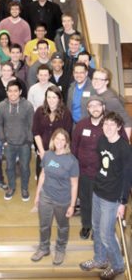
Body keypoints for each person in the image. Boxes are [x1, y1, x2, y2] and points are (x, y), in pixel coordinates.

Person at [79, 112, 131, 280]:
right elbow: (103, 166)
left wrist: (122, 202)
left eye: (111, 125)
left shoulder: (124, 148)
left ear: (118, 127)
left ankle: (117, 265)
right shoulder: (101, 140)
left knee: (106, 234)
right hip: (98, 191)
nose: (108, 128)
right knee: (96, 228)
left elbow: (127, 176)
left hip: (112, 197)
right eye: (105, 124)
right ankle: (100, 259)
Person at [31, 129, 79, 266]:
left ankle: (60, 249)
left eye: (62, 140)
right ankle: (44, 248)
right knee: (44, 225)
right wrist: (37, 196)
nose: (59, 142)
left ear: (67, 143)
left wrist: (72, 205)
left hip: (62, 200)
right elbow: (42, 175)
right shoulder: (47, 155)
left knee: (62, 227)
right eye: (57, 139)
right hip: (46, 196)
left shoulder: (71, 161)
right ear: (53, 140)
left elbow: (74, 185)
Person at [72, 96, 106, 240]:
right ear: (87, 109)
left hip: (103, 173)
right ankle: (86, 225)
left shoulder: (110, 124)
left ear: (103, 107)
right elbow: (74, 147)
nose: (95, 108)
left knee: (101, 202)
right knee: (85, 200)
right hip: (84, 172)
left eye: (98, 105)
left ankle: (98, 228)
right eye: (91, 106)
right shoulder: (81, 125)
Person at [0, 80, 34, 201]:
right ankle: (11, 187)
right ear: (6, 92)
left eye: (15, 91)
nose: (13, 93)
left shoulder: (27, 106)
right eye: (10, 91)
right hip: (9, 144)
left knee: (25, 167)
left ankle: (24, 188)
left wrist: (29, 141)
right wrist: (3, 139)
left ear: (20, 92)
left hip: (24, 144)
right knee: (9, 167)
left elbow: (31, 125)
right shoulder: (1, 106)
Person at [32, 86, 73, 177]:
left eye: (54, 97)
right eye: (49, 97)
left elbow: (66, 135)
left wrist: (57, 153)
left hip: (59, 153)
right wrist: (42, 151)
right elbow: (36, 132)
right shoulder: (40, 111)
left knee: (55, 178)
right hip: (43, 151)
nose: (51, 100)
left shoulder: (66, 113)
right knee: (41, 177)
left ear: (59, 98)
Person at [92, 68, 132, 138]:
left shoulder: (110, 99)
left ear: (106, 82)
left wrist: (125, 141)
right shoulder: (96, 94)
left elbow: (127, 121)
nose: (96, 81)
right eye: (95, 78)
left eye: (100, 79)